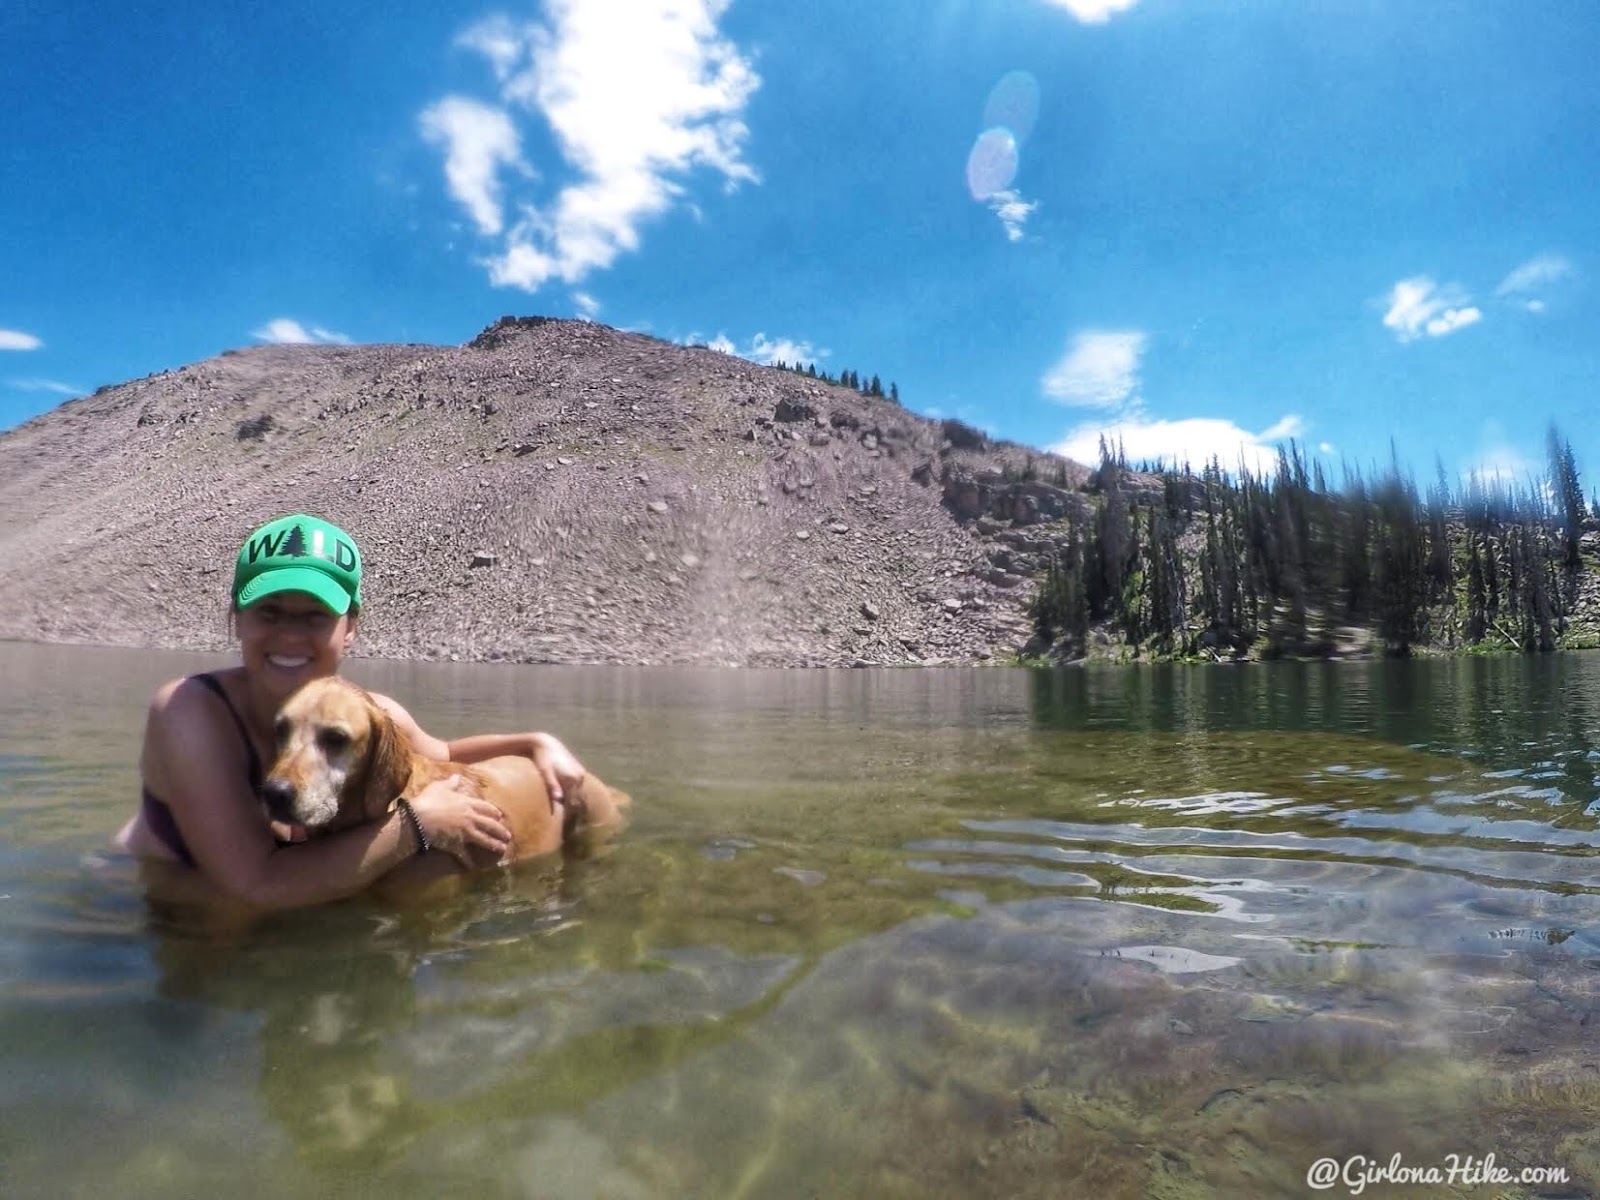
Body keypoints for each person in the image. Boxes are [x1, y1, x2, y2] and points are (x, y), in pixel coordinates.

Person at [115, 513, 591, 911]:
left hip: (283, 903)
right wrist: (416, 825)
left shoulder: (371, 714)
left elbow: (444, 751)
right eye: (269, 611)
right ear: (236, 618)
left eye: (315, 616)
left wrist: (536, 742)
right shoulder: (189, 712)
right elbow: (254, 885)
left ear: (351, 629)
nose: (290, 635)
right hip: (157, 902)